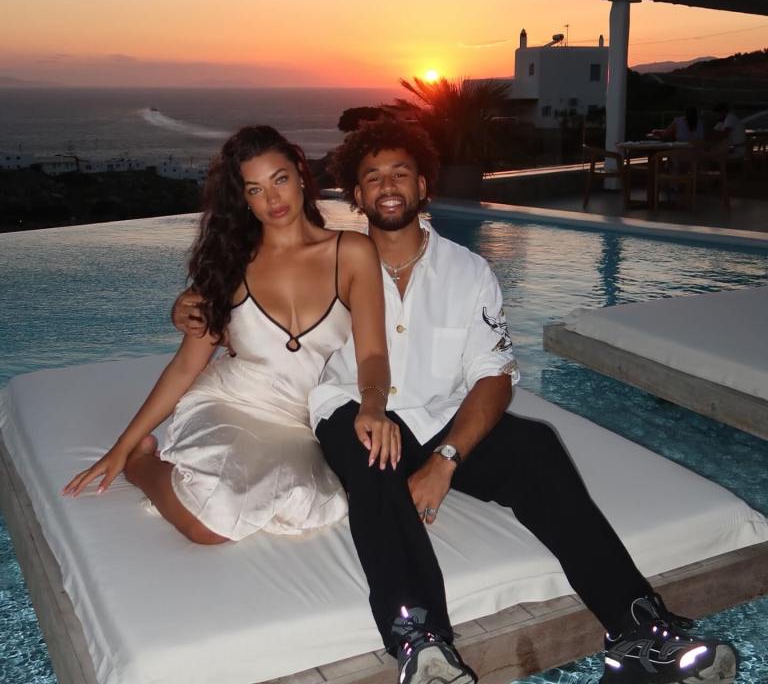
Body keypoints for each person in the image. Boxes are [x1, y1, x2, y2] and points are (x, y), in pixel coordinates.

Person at [173, 120, 738, 684]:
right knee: (374, 452)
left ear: (423, 186)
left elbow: (493, 376)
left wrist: (447, 460)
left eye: (400, 173)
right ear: (356, 194)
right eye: (372, 177)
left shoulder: (469, 274)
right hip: (354, 412)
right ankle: (420, 642)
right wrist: (195, 309)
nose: (387, 185)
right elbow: (261, 313)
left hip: (439, 420)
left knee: (535, 446)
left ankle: (637, 632)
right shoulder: (335, 259)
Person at [64, 125, 398, 544]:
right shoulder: (230, 264)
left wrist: (373, 405)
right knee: (208, 526)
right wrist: (120, 445)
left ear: (298, 173)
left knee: (306, 503)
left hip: (300, 422)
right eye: (254, 189)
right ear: (242, 198)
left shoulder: (352, 252)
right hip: (230, 403)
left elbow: (373, 354)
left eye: (279, 180)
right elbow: (187, 366)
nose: (273, 199)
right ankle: (139, 465)